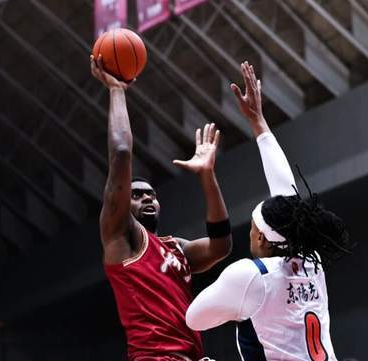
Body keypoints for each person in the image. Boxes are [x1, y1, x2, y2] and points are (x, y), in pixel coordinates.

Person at [186, 62, 354, 361]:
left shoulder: (252, 275)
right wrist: (258, 122)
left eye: (252, 229)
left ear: (262, 239)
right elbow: (287, 197)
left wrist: (238, 304)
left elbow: (194, 319)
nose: (249, 234)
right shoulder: (311, 260)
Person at [91, 55, 232, 361]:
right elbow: (121, 152)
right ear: (121, 203)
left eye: (151, 195)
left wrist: (207, 176)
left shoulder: (176, 248)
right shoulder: (122, 236)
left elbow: (221, 245)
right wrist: (117, 90)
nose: (147, 199)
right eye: (136, 195)